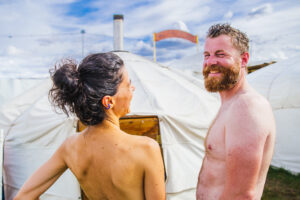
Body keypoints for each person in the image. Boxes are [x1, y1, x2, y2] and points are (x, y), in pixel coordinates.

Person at [14, 52, 166, 200]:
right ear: (109, 101)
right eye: (128, 84)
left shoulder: (70, 146)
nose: (132, 89)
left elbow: (23, 196)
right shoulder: (146, 149)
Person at [196, 24, 276, 200]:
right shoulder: (230, 104)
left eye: (221, 54)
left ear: (244, 59)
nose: (210, 62)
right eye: (207, 55)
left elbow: (241, 195)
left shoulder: (247, 106)